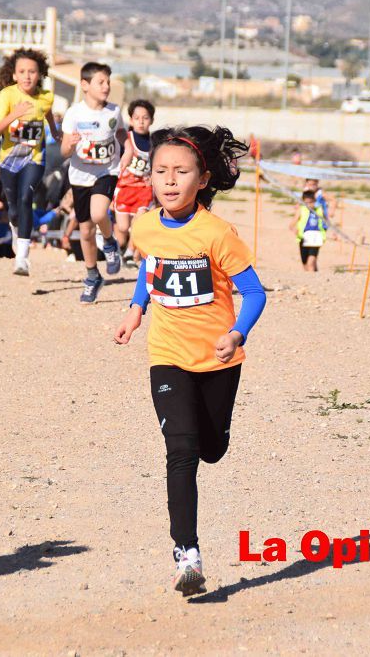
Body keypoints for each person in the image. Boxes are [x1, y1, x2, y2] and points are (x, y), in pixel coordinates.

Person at [113, 125, 267, 597]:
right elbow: (149, 265)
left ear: (203, 179)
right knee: (179, 449)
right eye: (161, 172)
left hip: (219, 359)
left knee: (211, 449)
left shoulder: (217, 234)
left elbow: (255, 292)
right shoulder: (144, 226)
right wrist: (137, 310)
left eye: (181, 172)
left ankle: (213, 438)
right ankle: (188, 554)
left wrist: (237, 331)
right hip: (168, 356)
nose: (170, 180)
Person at [0, 47, 59, 275]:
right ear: (14, 74)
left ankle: (23, 257)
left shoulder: (46, 97)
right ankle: (15, 227)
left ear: (40, 74)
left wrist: (55, 132)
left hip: (34, 158)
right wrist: (14, 115)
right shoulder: (7, 95)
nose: (27, 76)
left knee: (26, 198)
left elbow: (46, 113)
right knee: (14, 210)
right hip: (9, 159)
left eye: (32, 71)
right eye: (22, 71)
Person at [61, 61, 126, 302]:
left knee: (99, 214)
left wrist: (126, 149)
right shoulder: (74, 113)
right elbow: (64, 151)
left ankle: (109, 242)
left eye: (108, 81)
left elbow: (121, 132)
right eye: (101, 82)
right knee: (85, 231)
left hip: (106, 172)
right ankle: (92, 276)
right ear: (85, 85)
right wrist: (71, 144)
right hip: (80, 177)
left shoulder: (114, 111)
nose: (106, 86)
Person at [113, 99, 155, 267]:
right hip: (124, 188)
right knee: (123, 228)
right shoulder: (126, 139)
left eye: (145, 118)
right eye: (137, 118)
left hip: (144, 189)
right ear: (130, 120)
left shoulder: (155, 142)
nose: (141, 122)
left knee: (140, 221)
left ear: (151, 120)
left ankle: (131, 253)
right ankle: (121, 247)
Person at [291, 189, 327, 272]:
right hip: (304, 239)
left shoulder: (320, 210)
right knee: (305, 263)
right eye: (306, 203)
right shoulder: (301, 210)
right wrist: (294, 229)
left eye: (311, 202)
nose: (309, 205)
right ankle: (312, 278)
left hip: (316, 239)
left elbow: (326, 223)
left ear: (315, 201)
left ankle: (314, 281)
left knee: (311, 262)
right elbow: (291, 224)